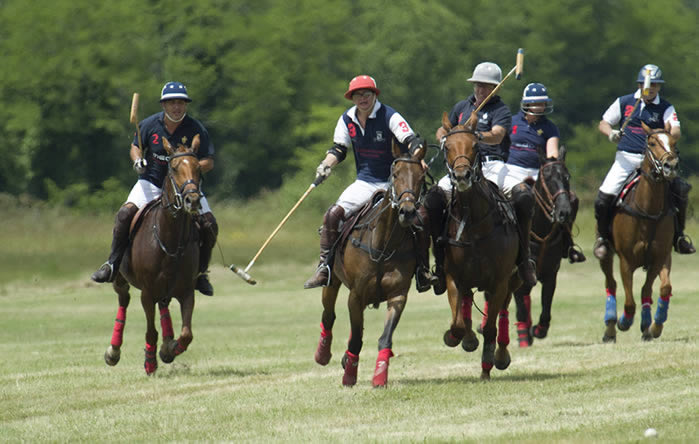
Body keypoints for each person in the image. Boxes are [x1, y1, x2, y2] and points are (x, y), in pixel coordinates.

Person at [303, 75, 434, 291]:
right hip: (365, 182)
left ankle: (422, 270)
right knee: (332, 215)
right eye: (357, 95)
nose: (363, 98)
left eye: (367, 93)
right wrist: (326, 164)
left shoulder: (389, 115)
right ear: (352, 98)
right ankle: (324, 268)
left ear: (374, 95)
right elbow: (339, 149)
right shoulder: (347, 119)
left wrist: (418, 157)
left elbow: (412, 141)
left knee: (422, 218)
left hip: (395, 183)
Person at [91, 81, 219, 296]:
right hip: (151, 183)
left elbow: (209, 161)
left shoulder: (196, 129)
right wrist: (138, 160)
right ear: (163, 105)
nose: (176, 107)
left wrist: (191, 167)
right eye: (171, 103)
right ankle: (112, 264)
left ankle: (201, 274)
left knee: (209, 224)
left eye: (180, 103)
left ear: (186, 105)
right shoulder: (150, 125)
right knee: (124, 214)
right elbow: (135, 147)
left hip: (185, 188)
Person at [426, 62, 536, 294]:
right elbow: (441, 131)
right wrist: (446, 138)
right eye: (478, 85)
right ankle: (438, 260)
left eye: (486, 86)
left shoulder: (501, 111)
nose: (481, 90)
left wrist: (473, 135)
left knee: (523, 196)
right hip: (461, 166)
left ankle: (524, 258)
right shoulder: (461, 107)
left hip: (493, 165)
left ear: (496, 88)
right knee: (433, 199)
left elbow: (497, 137)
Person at [594, 64, 694, 259]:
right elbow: (604, 123)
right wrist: (611, 134)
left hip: (655, 163)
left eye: (656, 85)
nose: (651, 88)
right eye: (648, 84)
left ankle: (679, 236)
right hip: (626, 159)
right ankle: (603, 238)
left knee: (680, 190)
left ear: (659, 86)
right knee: (603, 198)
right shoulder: (624, 102)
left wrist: (666, 136)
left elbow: (676, 130)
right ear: (640, 84)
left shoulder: (665, 107)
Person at [503, 82, 586, 263]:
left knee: (571, 199)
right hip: (512, 170)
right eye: (536, 103)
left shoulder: (549, 127)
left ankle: (567, 242)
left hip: (537, 172)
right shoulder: (511, 122)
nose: (540, 107)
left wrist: (552, 164)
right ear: (526, 104)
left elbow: (552, 153)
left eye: (542, 103)